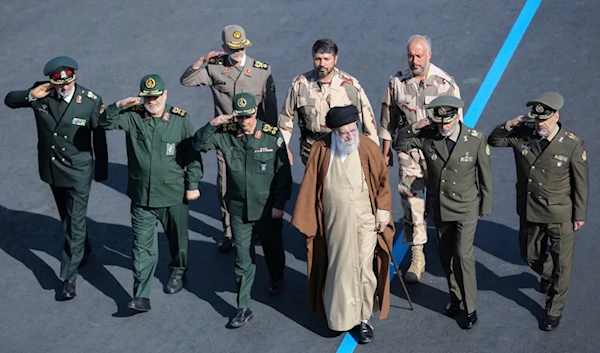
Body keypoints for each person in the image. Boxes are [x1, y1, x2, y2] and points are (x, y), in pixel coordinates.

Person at [4, 56, 108, 301]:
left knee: (74, 222)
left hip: (79, 169)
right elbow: (10, 99)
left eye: (68, 82)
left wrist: (100, 170)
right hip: (53, 169)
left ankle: (68, 278)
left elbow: (99, 139)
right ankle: (84, 248)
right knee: (66, 215)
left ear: (75, 78)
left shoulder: (90, 101)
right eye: (59, 83)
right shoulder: (43, 94)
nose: (63, 87)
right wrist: (31, 95)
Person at [292, 105, 394, 344]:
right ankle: (339, 319)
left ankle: (363, 319)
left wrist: (383, 211)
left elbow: (381, 181)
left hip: (366, 219)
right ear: (334, 131)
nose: (350, 135)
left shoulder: (368, 147)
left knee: (365, 267)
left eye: (352, 130)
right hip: (335, 221)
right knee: (340, 267)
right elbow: (310, 187)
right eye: (345, 132)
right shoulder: (321, 150)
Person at [99, 74, 202, 312]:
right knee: (141, 246)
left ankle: (178, 271)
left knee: (178, 239)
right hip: (141, 195)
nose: (152, 101)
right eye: (147, 97)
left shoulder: (180, 119)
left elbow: (192, 155)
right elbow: (103, 123)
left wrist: (192, 185)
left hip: (173, 194)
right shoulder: (133, 116)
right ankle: (141, 296)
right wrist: (119, 105)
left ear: (165, 94)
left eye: (156, 97)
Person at [487, 92, 588, 331]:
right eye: (537, 119)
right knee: (529, 254)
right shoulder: (523, 134)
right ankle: (548, 273)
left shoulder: (572, 143)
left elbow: (581, 182)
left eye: (545, 119)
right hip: (530, 210)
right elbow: (494, 140)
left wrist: (579, 214)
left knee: (563, 263)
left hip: (560, 213)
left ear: (556, 116)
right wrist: (510, 124)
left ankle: (554, 310)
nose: (540, 124)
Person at [192, 92, 292, 328]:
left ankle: (277, 278)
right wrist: (212, 124)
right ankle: (243, 306)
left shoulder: (270, 135)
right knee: (242, 258)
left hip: (267, 208)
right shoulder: (226, 134)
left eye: (248, 116)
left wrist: (279, 205)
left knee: (272, 249)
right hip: (238, 208)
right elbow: (198, 144)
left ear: (255, 112)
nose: (244, 121)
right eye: (240, 117)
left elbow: (283, 174)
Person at [393, 96, 493, 329]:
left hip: (466, 207)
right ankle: (456, 297)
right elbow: (401, 142)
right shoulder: (429, 136)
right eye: (439, 122)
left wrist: (485, 206)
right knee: (446, 255)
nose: (444, 127)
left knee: (463, 255)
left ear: (458, 116)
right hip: (439, 207)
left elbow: (485, 177)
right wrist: (416, 126)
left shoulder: (475, 140)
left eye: (447, 122)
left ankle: (470, 308)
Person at [180, 24, 277, 253]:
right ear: (224, 47)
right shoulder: (214, 68)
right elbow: (187, 81)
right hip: (227, 137)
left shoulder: (262, 70)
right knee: (225, 184)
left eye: (242, 47)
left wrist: (271, 137)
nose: (238, 51)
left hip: (255, 136)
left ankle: (260, 227)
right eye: (233, 48)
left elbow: (270, 107)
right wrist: (201, 60)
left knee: (260, 182)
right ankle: (229, 232)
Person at [379, 35, 462, 283]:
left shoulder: (445, 83)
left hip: (437, 152)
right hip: (409, 151)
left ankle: (446, 246)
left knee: (439, 201)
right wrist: (385, 151)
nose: (414, 61)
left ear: (429, 55)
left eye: (419, 55)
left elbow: (459, 123)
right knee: (412, 201)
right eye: (411, 56)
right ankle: (418, 257)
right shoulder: (397, 82)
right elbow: (387, 119)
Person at [278, 38, 379, 166]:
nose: (322, 64)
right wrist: (283, 146)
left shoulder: (350, 86)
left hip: (341, 150)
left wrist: (373, 153)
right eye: (318, 59)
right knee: (313, 185)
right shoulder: (300, 84)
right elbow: (286, 117)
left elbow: (368, 121)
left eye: (327, 59)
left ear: (335, 59)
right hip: (311, 150)